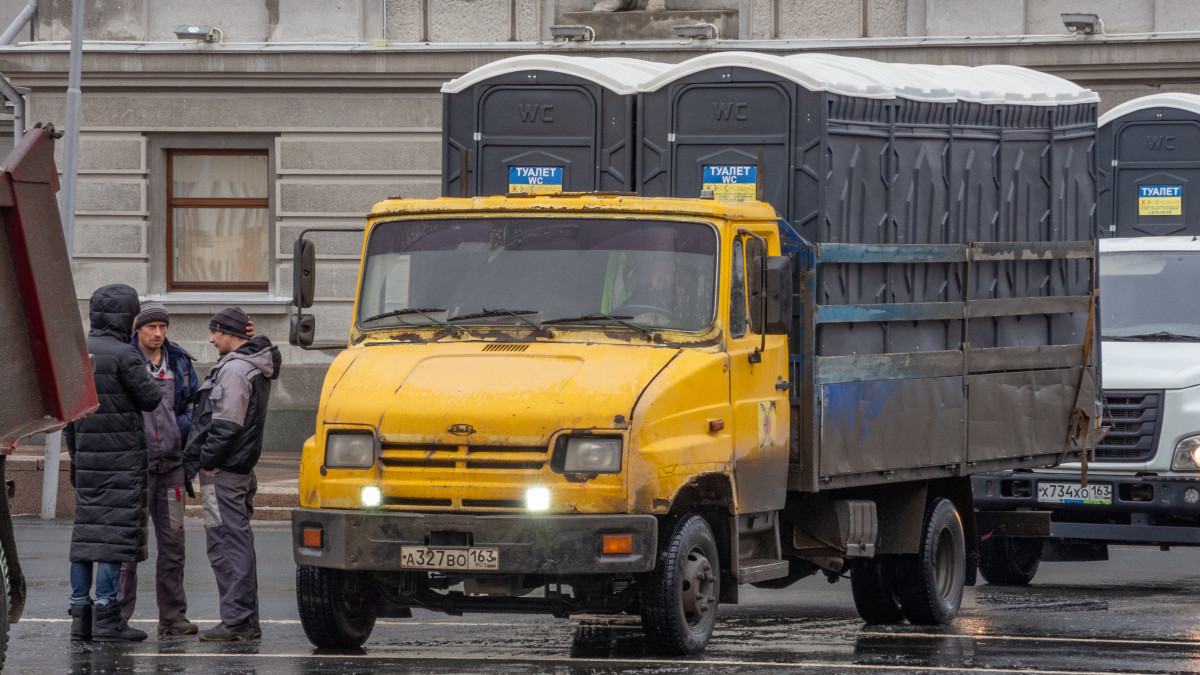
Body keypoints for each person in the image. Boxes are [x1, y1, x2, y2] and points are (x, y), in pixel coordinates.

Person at [64, 284, 162, 642]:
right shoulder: (125, 355)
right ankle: (107, 615)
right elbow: (150, 399)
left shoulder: (78, 352)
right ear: (128, 318)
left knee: (86, 538)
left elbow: (70, 414)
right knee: (111, 540)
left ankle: (80, 617)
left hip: (88, 457)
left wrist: (76, 458)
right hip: (121, 460)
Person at [183, 307, 281, 642]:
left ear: (230, 333)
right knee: (238, 542)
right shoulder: (250, 364)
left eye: (216, 332)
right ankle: (246, 620)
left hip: (224, 471)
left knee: (225, 544)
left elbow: (225, 425)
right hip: (237, 468)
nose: (211, 339)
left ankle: (236, 621)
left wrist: (207, 460)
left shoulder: (236, 370)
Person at [113, 301, 200, 636]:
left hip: (172, 467)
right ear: (138, 329)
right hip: (137, 468)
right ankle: (119, 616)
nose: (159, 333)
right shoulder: (126, 359)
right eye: (152, 327)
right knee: (130, 546)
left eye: (163, 327)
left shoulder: (178, 360)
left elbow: (195, 402)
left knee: (174, 543)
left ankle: (173, 617)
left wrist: (178, 429)